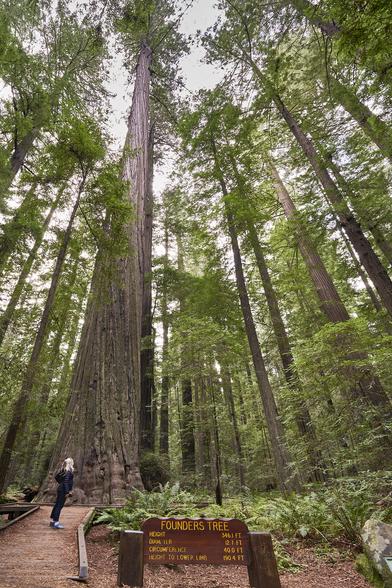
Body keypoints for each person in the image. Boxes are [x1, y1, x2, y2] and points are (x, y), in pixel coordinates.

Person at [50, 457, 74, 529]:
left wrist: (61, 483)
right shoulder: (68, 471)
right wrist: (67, 492)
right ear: (70, 463)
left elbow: (56, 477)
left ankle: (53, 521)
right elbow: (66, 482)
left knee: (57, 504)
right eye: (72, 462)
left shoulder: (63, 470)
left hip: (60, 489)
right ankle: (56, 523)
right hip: (63, 490)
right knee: (59, 506)